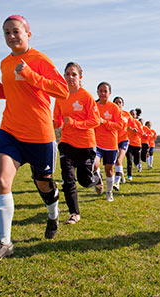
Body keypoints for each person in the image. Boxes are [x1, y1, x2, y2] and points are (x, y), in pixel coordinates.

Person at [0, 15, 70, 264]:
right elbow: (15, 94)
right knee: (1, 181)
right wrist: (0, 92)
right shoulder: (4, 63)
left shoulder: (39, 60)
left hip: (39, 135)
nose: (11, 37)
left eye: (16, 32)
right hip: (10, 130)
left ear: (28, 34)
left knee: (44, 183)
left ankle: (53, 215)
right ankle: (4, 241)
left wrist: (32, 75)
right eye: (6, 33)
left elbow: (62, 90)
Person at [53, 62, 101, 224]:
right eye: (67, 74)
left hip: (86, 145)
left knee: (85, 181)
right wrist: (46, 123)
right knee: (68, 179)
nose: (70, 77)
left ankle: (96, 179)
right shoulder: (60, 96)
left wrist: (74, 123)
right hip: (66, 143)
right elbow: (58, 121)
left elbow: (95, 121)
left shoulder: (86, 97)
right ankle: (74, 213)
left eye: (74, 74)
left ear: (80, 77)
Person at [93, 82, 124, 202]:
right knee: (94, 165)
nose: (103, 93)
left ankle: (109, 192)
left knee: (109, 171)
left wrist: (104, 122)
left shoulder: (114, 108)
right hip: (96, 143)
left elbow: (120, 125)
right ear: (97, 92)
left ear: (109, 93)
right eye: (100, 91)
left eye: (105, 91)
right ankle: (98, 179)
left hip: (110, 144)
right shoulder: (94, 106)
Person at [113, 96, 134, 190]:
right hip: (113, 140)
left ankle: (116, 183)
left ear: (122, 104)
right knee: (114, 162)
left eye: (120, 102)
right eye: (116, 102)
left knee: (119, 160)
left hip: (124, 140)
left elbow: (132, 125)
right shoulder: (110, 113)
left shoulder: (126, 114)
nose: (118, 104)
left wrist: (131, 128)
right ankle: (122, 176)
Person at [126, 109, 143, 181]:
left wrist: (136, 131)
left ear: (136, 116)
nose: (132, 115)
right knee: (129, 160)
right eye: (131, 114)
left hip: (137, 144)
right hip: (128, 143)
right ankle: (129, 175)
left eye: (134, 114)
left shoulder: (138, 123)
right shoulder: (126, 122)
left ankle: (137, 164)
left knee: (136, 161)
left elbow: (142, 132)